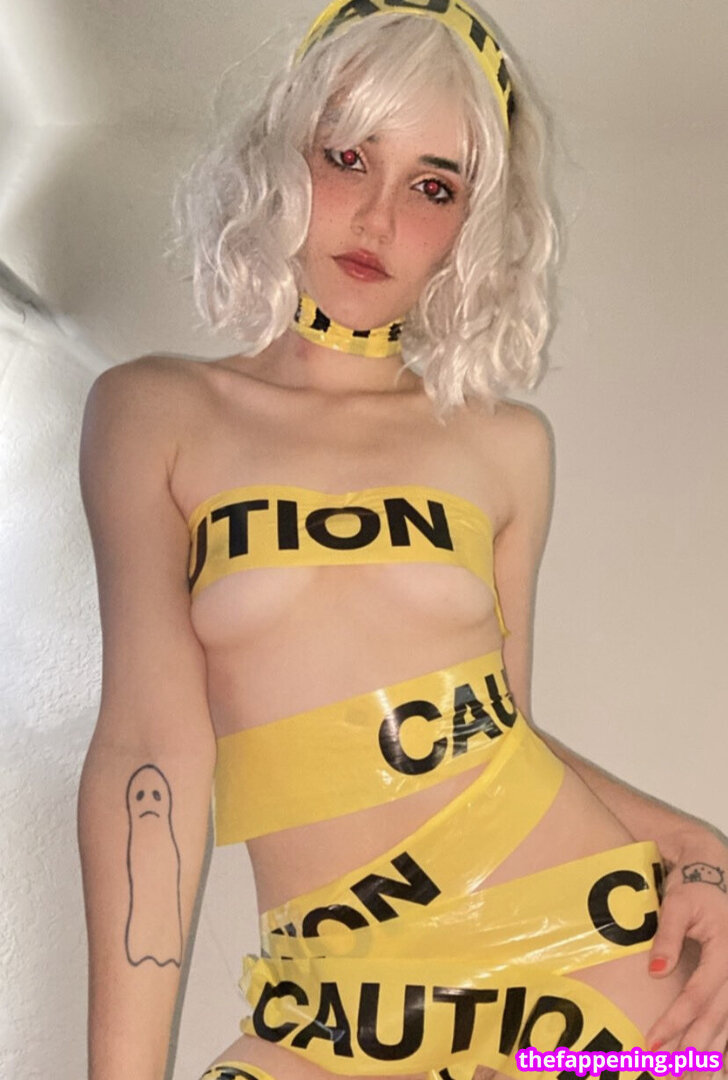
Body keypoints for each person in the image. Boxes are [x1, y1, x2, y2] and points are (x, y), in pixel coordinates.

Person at [76, 2, 728, 1079]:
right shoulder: (155, 413)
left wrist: (695, 851)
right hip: (327, 1011)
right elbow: (150, 750)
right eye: (348, 158)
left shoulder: (505, 446)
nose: (378, 218)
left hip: (588, 979)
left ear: (472, 225)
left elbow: (494, 727)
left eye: (433, 187)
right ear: (282, 157)